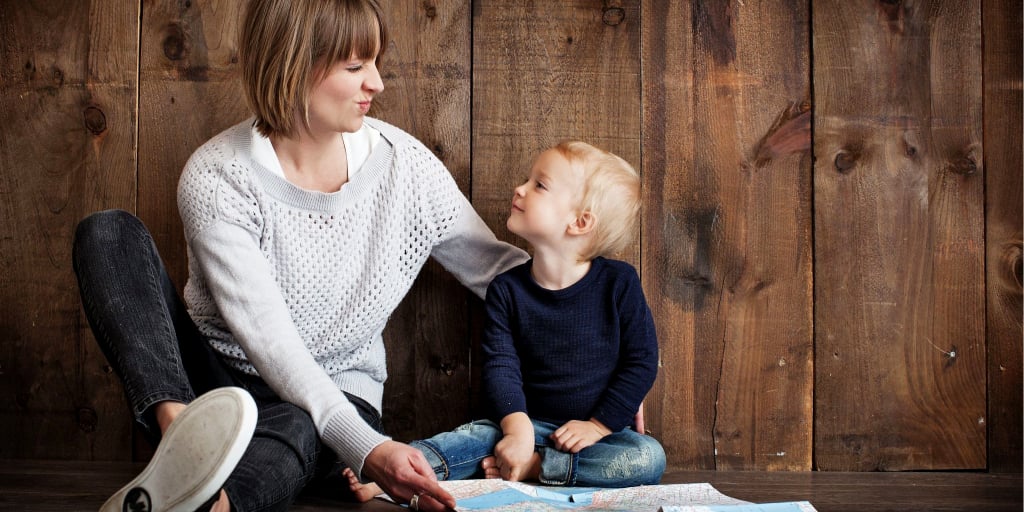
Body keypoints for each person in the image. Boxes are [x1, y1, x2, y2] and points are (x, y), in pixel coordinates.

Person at [71, 0, 528, 510]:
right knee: (108, 234)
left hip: (338, 399)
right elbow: (267, 338)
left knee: (298, 419)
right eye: (355, 67)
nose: (376, 83)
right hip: (214, 383)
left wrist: (611, 354)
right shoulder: (218, 177)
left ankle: (210, 503)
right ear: (291, 63)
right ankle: (182, 437)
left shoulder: (408, 171)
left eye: (375, 62)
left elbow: (503, 274)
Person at [347, 140, 665, 501]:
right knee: (470, 439)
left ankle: (536, 468)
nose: (521, 188)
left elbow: (640, 361)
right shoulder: (507, 290)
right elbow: (501, 366)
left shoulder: (619, 283)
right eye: (528, 180)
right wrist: (516, 430)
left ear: (580, 222)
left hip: (595, 437)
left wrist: (599, 425)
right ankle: (395, 474)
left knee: (647, 458)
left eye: (539, 185)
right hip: (524, 422)